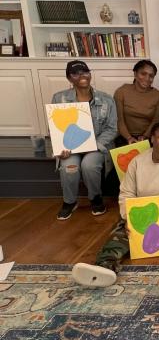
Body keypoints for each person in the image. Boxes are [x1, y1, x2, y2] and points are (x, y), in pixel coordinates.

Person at [72, 120, 159, 286]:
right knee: (125, 233)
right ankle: (105, 267)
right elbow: (126, 193)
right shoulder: (137, 162)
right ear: (152, 138)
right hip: (145, 208)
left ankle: (154, 238)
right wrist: (128, 217)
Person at [52, 60, 117, 221]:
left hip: (97, 146)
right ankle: (70, 201)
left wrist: (94, 145)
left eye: (85, 72)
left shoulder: (106, 99)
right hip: (70, 147)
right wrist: (61, 147)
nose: (82, 76)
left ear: (90, 74)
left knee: (89, 165)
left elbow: (112, 128)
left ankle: (95, 198)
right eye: (76, 73)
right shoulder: (59, 98)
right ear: (69, 78)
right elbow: (54, 126)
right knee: (69, 166)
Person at [113, 60, 159, 146]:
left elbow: (156, 121)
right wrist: (129, 138)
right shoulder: (121, 91)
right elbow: (119, 120)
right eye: (143, 74)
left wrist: (145, 136)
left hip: (148, 136)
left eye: (151, 76)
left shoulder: (158, 96)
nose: (147, 78)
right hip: (124, 136)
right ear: (135, 74)